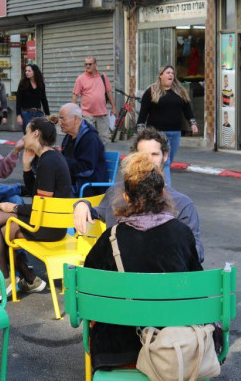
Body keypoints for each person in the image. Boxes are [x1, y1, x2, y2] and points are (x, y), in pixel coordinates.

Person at [83, 152, 201, 370]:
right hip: (174, 346)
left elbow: (88, 288)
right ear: (162, 194)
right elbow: (195, 283)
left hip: (118, 349)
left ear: (126, 198)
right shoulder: (182, 233)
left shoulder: (112, 237)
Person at [74, 127, 203, 265]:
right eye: (143, 155)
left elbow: (197, 251)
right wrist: (82, 204)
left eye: (154, 154)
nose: (148, 160)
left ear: (165, 156)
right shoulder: (116, 192)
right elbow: (98, 212)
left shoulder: (183, 204)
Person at [0, 117, 72, 303]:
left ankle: (7, 278)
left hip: (48, 226)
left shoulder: (48, 161)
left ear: (36, 134)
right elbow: (36, 196)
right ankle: (26, 279)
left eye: (27, 133)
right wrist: (26, 167)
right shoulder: (50, 157)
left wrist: (14, 207)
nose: (24, 137)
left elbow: (41, 206)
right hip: (49, 221)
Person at [137, 65, 199, 186]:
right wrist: (140, 129)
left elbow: (187, 109)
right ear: (161, 75)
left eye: (172, 73)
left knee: (166, 161)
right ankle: (166, 190)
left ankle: (153, 183)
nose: (171, 75)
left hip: (175, 133)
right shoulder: (152, 91)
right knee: (165, 161)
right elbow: (143, 111)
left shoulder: (179, 91)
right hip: (158, 134)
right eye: (167, 72)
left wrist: (193, 123)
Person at [58, 103, 108, 196]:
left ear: (75, 118)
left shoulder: (90, 138)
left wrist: (62, 161)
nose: (60, 123)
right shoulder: (69, 136)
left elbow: (86, 170)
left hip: (89, 187)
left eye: (63, 119)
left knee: (52, 189)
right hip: (74, 183)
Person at [72, 56, 116, 144]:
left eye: (90, 64)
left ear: (96, 65)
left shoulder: (103, 77)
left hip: (102, 113)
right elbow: (75, 96)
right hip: (87, 114)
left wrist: (113, 107)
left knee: (103, 140)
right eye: (86, 64)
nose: (87, 66)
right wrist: (74, 111)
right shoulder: (80, 78)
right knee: (88, 139)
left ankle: (101, 153)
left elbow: (109, 92)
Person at [16, 63, 49, 133]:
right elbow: (18, 100)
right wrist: (18, 115)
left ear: (34, 72)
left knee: (39, 134)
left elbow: (44, 100)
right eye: (26, 71)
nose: (27, 72)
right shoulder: (23, 83)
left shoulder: (40, 83)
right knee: (28, 134)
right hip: (26, 114)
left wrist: (47, 115)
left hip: (38, 113)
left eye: (29, 71)